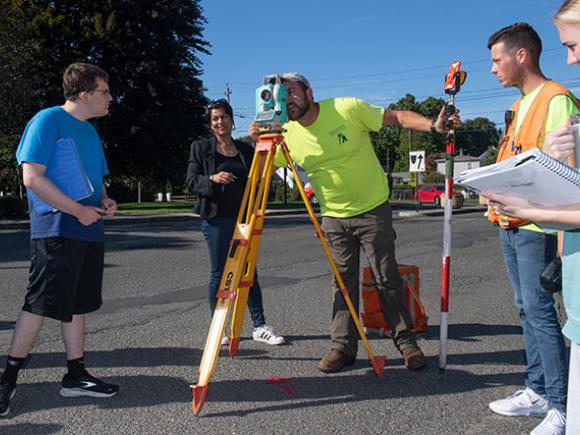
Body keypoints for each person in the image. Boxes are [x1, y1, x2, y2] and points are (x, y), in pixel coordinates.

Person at [250, 72, 460, 373]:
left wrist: (432, 125)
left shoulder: (346, 108)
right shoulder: (287, 134)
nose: (287, 101)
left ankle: (406, 342)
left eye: (292, 93)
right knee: (342, 284)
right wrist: (259, 140)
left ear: (309, 92)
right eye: (281, 96)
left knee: (386, 277)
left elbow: (396, 118)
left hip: (373, 210)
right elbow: (266, 165)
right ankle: (343, 347)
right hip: (333, 218)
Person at [0, 63, 119, 418]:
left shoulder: (90, 132)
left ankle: (76, 375)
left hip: (88, 229)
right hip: (56, 230)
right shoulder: (47, 120)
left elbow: (96, 180)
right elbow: (32, 178)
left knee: (78, 304)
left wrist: (104, 200)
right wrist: (75, 210)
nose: (110, 98)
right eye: (104, 91)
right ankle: (7, 379)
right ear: (84, 95)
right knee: (39, 304)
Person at [486, 4, 580, 434]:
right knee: (527, 309)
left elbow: (567, 173)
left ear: (521, 55)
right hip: (512, 222)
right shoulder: (520, 104)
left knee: (541, 312)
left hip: (539, 225)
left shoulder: (555, 99)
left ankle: (561, 404)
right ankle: (538, 387)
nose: (492, 69)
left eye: (496, 59)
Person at [186, 99, 285, 346]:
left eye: (224, 117)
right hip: (216, 220)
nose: (220, 122)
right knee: (220, 274)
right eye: (215, 119)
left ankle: (260, 326)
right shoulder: (200, 147)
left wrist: (259, 143)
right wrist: (213, 178)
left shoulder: (244, 149)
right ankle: (219, 328)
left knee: (248, 272)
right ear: (211, 124)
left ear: (232, 120)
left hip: (243, 219)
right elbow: (191, 180)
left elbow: (261, 177)